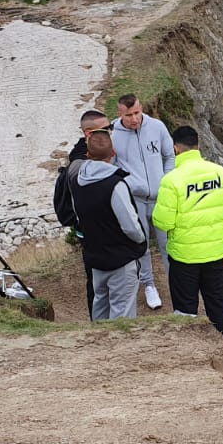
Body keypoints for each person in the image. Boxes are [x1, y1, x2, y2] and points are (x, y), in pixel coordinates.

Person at [152, 126, 223, 344]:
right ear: (198, 146)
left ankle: (190, 351)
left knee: (185, 311)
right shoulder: (220, 173)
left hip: (184, 256)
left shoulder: (171, 180)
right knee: (217, 306)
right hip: (214, 253)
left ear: (175, 149)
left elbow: (163, 222)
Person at [72, 129, 146, 320]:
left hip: (95, 259)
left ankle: (99, 348)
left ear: (88, 155)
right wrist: (140, 240)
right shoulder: (115, 184)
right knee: (123, 316)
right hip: (121, 259)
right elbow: (130, 226)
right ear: (113, 154)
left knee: (100, 310)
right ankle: (121, 350)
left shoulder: (77, 182)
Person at [110, 93, 175, 310]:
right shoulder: (112, 133)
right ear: (120, 113)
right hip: (135, 199)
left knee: (169, 245)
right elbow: (111, 165)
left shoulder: (157, 127)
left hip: (161, 199)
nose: (134, 119)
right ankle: (149, 285)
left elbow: (170, 156)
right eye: (129, 115)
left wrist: (166, 182)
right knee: (142, 245)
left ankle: (176, 284)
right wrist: (127, 184)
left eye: (137, 112)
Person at [55, 109, 109, 313]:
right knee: (97, 281)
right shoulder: (80, 165)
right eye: (106, 129)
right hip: (91, 230)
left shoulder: (88, 156)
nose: (111, 132)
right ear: (88, 133)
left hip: (95, 228)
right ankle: (99, 323)